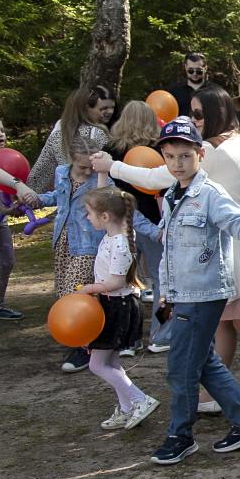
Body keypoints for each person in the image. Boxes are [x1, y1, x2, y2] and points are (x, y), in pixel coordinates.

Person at [149, 118, 240, 465]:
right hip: (181, 292)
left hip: (203, 293)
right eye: (170, 156)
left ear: (200, 155)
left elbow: (236, 221)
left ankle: (180, 435)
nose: (177, 163)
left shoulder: (210, 195)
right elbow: (168, 248)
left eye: (185, 156)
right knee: (202, 362)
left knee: (181, 366)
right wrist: (164, 292)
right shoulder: (172, 196)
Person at [79, 186, 160, 430]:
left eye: (89, 213)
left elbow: (116, 281)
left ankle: (140, 399)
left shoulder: (120, 243)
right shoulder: (113, 237)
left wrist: (89, 288)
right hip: (112, 304)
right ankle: (126, 408)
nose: (87, 217)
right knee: (111, 363)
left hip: (118, 306)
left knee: (97, 364)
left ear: (105, 216)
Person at [39, 134, 112, 372]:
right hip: (63, 241)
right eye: (82, 167)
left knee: (76, 292)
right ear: (71, 160)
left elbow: (115, 202)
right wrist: (36, 200)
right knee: (63, 292)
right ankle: (82, 336)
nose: (87, 171)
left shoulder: (101, 177)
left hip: (88, 243)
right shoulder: (61, 172)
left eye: (91, 166)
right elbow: (59, 199)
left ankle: (84, 348)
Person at [106, 101, 168, 354]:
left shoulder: (110, 150)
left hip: (120, 220)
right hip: (153, 220)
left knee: (123, 280)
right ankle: (160, 335)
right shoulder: (160, 148)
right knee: (160, 277)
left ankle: (127, 339)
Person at [28, 85, 114, 193]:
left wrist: (28, 195)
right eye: (101, 108)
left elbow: (40, 174)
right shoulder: (98, 134)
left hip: (67, 197)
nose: (106, 112)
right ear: (86, 108)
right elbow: (112, 169)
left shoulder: (57, 137)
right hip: (93, 200)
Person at [0, 115, 23, 336]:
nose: (0, 134)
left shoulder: (6, 158)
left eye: (2, 130)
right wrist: (2, 207)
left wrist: (13, 203)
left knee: (8, 261)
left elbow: (8, 188)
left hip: (0, 219)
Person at [167, 52, 211, 119]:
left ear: (205, 68)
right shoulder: (173, 91)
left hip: (208, 129)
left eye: (199, 71)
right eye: (191, 71)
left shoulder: (214, 91)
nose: (194, 74)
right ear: (185, 67)